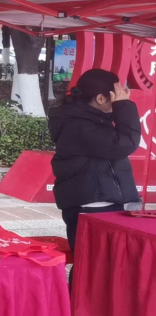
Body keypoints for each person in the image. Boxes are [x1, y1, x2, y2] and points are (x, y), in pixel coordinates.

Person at [48, 69, 140, 270]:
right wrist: (124, 107)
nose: (121, 99)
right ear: (100, 98)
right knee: (93, 269)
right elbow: (126, 143)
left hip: (101, 204)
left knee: (107, 268)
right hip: (93, 206)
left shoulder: (89, 120)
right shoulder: (79, 125)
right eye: (116, 96)